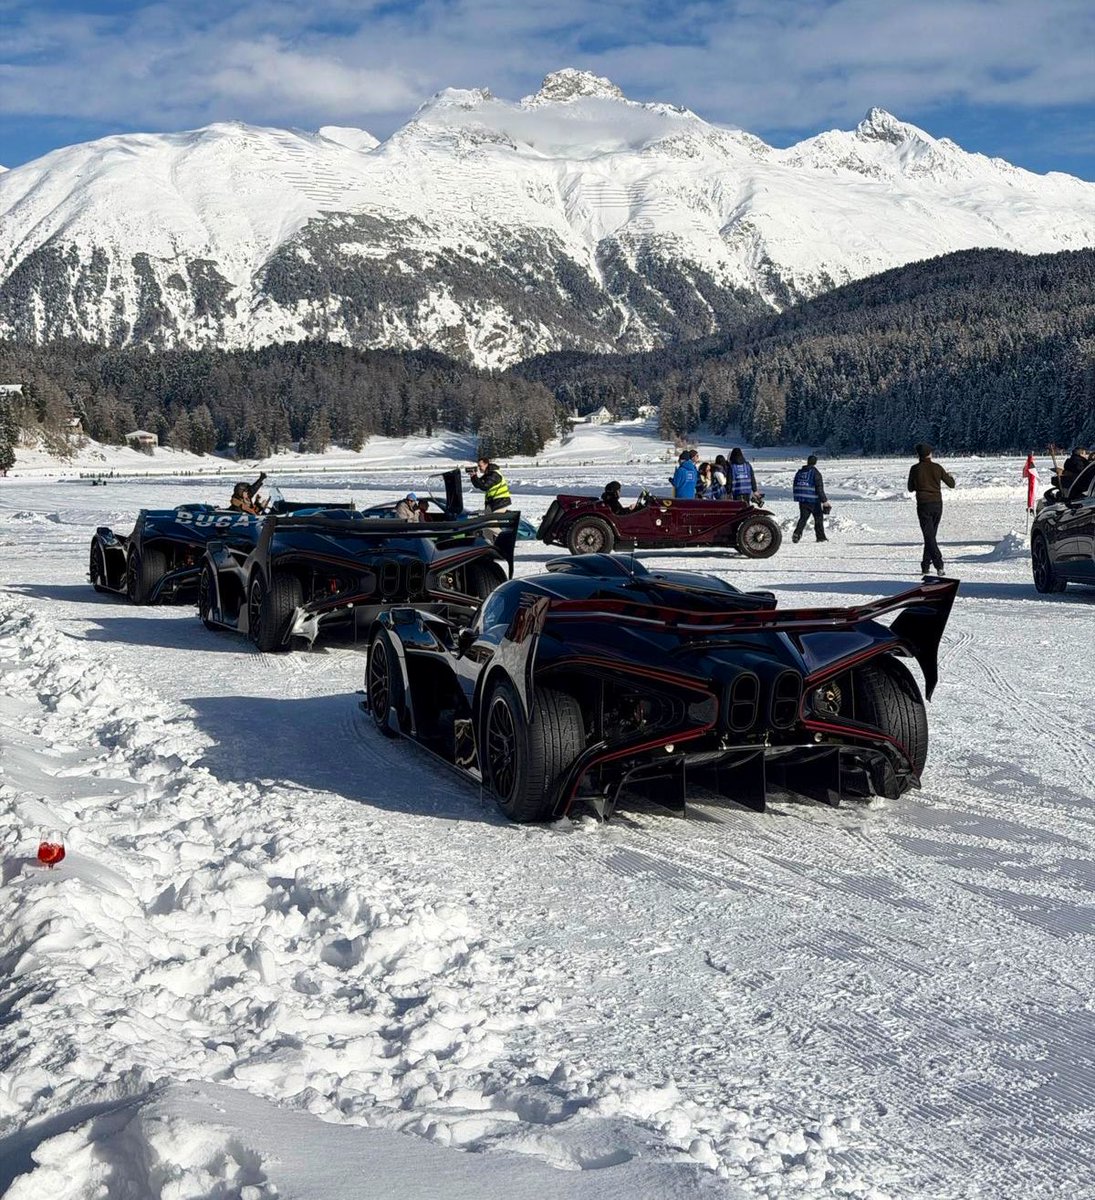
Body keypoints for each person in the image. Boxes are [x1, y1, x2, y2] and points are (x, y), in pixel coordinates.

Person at [907, 443, 955, 574]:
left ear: (918, 455)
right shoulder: (937, 467)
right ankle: (925, 565)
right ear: (930, 454)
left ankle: (938, 564)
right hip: (937, 504)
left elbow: (910, 488)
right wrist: (950, 476)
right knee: (931, 535)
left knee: (929, 536)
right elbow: (951, 484)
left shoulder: (915, 469)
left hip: (923, 504)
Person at [791, 454, 831, 543]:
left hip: (802, 499)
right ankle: (821, 537)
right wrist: (824, 501)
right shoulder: (815, 473)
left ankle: (797, 533)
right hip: (813, 500)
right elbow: (819, 488)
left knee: (803, 518)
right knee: (818, 518)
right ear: (815, 462)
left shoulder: (800, 472)